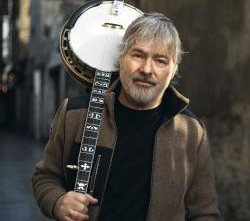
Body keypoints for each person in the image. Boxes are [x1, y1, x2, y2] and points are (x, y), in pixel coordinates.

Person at [32, 13, 221, 221]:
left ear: (173, 70)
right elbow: (45, 177)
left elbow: (204, 213)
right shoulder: (75, 114)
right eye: (138, 55)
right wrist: (58, 202)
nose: (147, 70)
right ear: (121, 58)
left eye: (160, 60)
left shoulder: (191, 132)